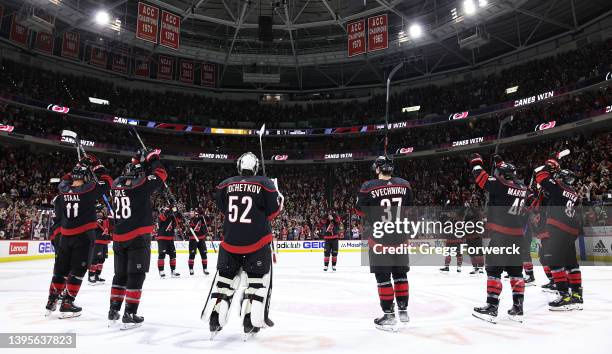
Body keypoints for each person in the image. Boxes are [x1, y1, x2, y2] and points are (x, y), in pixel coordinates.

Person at [204, 152, 283, 338]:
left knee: (224, 283)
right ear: (255, 167)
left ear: (239, 166)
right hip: (257, 242)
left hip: (230, 241)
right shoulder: (266, 184)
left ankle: (215, 318)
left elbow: (224, 209)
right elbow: (273, 213)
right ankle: (250, 321)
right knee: (256, 284)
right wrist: (278, 195)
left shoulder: (225, 184)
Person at [45, 154, 112, 318]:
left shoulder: (63, 189)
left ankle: (51, 302)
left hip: (66, 236)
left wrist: (80, 164)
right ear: (86, 177)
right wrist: (97, 165)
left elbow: (66, 178)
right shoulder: (89, 190)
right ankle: (67, 303)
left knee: (60, 271)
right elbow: (107, 181)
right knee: (78, 270)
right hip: (83, 236)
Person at [108, 148, 166, 329]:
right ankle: (130, 313)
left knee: (120, 274)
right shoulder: (140, 185)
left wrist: (138, 160)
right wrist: (153, 159)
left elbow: (133, 175)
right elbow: (161, 174)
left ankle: (113, 310)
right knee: (136, 274)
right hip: (138, 236)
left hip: (119, 236)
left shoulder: (116, 185)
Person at [355, 156, 413, 331]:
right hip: (400, 236)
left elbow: (359, 210)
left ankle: (389, 315)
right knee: (400, 274)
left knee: (383, 277)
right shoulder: (405, 185)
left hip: (379, 237)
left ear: (378, 169)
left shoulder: (368, 187)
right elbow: (408, 207)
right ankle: (403, 310)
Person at [470, 153, 527, 323]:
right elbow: (508, 178)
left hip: (501, 235)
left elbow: (480, 177)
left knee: (494, 270)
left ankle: (492, 306)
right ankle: (518, 308)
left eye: (498, 173)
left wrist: (477, 162)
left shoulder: (499, 184)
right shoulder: (522, 188)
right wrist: (500, 164)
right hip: (518, 236)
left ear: (502, 176)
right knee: (516, 271)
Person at [534, 160, 583, 311]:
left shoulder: (559, 187)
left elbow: (541, 176)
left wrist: (549, 165)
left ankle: (564, 295)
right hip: (571, 231)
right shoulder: (573, 193)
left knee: (554, 261)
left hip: (558, 228)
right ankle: (577, 296)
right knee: (571, 264)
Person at [88, 206, 111, 285]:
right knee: (95, 259)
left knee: (102, 259)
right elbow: (96, 226)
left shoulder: (105, 218)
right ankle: (91, 277)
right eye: (103, 210)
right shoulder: (98, 218)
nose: (105, 211)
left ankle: (97, 276)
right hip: (98, 242)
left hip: (104, 242)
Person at [156, 207, 180, 278]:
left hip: (170, 238)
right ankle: (161, 271)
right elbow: (164, 217)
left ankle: (173, 271)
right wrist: (169, 211)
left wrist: (177, 214)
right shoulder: (160, 216)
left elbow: (176, 223)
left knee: (173, 255)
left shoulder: (171, 217)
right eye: (166, 211)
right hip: (162, 238)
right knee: (162, 254)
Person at [188, 209, 210, 275]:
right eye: (190, 212)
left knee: (204, 254)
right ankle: (191, 269)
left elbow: (208, 222)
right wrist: (199, 217)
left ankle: (205, 269)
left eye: (192, 212)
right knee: (192, 254)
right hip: (193, 239)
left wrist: (204, 215)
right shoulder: (190, 220)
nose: (191, 213)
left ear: (195, 213)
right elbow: (194, 223)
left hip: (201, 239)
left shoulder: (201, 218)